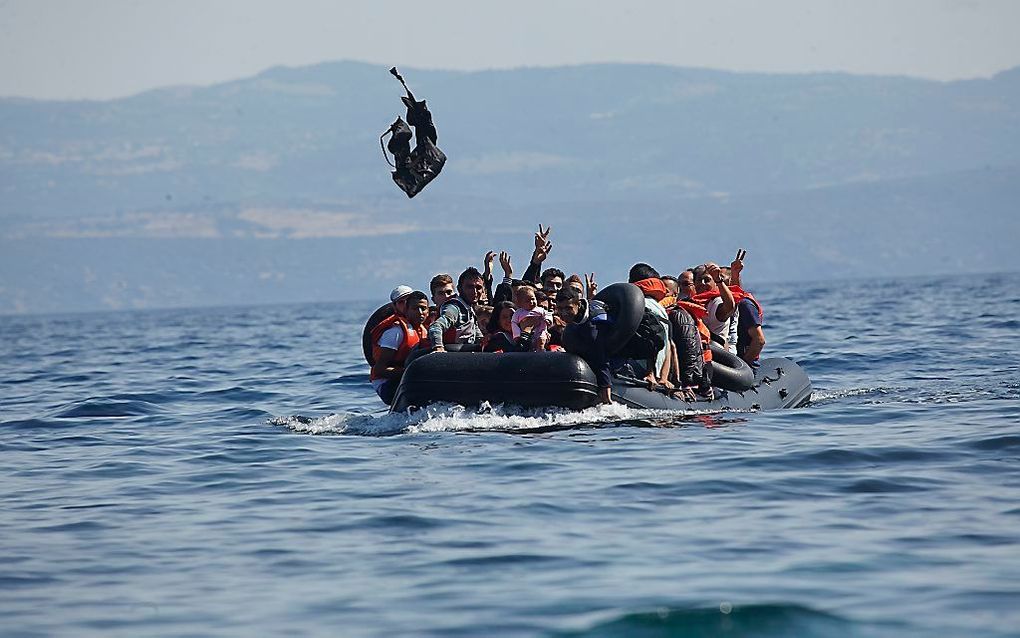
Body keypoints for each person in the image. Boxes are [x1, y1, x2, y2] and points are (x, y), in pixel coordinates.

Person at [369, 290, 429, 405]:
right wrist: (410, 372)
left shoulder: (423, 331)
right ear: (406, 310)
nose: (420, 312)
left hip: (407, 377)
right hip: (386, 383)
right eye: (415, 309)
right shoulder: (395, 332)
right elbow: (379, 370)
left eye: (423, 308)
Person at [555, 287, 612, 404]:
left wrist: (605, 387)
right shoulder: (571, 329)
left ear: (578, 304)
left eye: (568, 308)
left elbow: (601, 357)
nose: (563, 313)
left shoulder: (593, 326)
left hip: (612, 350)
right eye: (560, 308)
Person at [627, 263, 674, 390]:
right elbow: (669, 345)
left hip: (637, 369)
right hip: (657, 371)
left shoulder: (636, 304)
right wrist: (663, 378)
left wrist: (650, 373)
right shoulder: (661, 309)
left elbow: (650, 337)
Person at [427, 267, 486, 351]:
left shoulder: (469, 310)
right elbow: (436, 327)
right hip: (452, 358)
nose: (474, 291)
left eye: (478, 287)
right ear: (459, 289)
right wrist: (438, 348)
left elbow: (478, 338)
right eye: (470, 287)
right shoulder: (454, 308)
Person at [692, 262, 737, 353]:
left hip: (719, 354)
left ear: (714, 282)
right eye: (699, 280)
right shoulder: (691, 302)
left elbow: (729, 306)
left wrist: (718, 280)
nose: (702, 283)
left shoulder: (717, 302)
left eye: (707, 280)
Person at [512, 284, 554, 351]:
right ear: (520, 303)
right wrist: (517, 335)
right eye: (527, 301)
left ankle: (541, 353)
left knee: (541, 342)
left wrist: (548, 320)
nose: (531, 302)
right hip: (527, 335)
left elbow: (547, 314)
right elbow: (514, 323)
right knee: (529, 346)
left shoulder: (539, 309)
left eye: (533, 299)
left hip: (540, 331)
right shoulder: (518, 313)